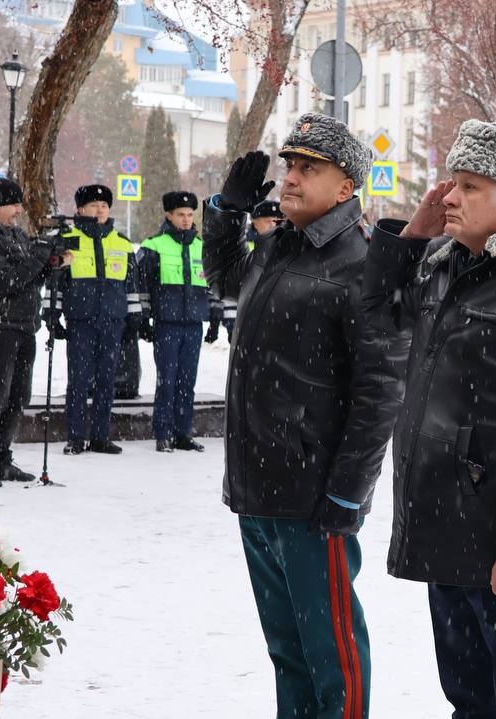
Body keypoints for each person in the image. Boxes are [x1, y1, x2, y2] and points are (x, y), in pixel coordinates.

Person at [361, 119, 496, 719]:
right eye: (450, 182)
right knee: (468, 700)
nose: (449, 197)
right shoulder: (442, 266)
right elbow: (375, 321)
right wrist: (410, 236)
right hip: (446, 530)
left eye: (469, 186)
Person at [202, 114, 404, 719]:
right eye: (289, 166)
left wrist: (347, 494)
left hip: (315, 499)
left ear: (346, 188)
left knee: (331, 653)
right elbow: (224, 277)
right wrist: (228, 214)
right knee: (286, 649)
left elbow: (381, 390)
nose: (289, 179)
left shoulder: (363, 264)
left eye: (307, 169)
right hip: (258, 487)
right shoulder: (279, 245)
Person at [0, 178, 68, 487]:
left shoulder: (15, 234)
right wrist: (39, 255)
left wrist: (52, 261)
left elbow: (29, 277)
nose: (19, 211)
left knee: (18, 396)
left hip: (24, 325)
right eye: (14, 204)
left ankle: (0, 458)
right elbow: (4, 282)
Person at [46, 184, 142, 455]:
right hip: (81, 320)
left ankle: (100, 436)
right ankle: (75, 437)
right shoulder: (69, 239)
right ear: (80, 210)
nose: (100, 210)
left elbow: (131, 285)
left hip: (112, 320)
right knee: (78, 381)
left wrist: (133, 318)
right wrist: (52, 315)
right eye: (93, 205)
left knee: (106, 380)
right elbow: (55, 283)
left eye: (104, 205)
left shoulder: (122, 243)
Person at [137, 191, 217, 453]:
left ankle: (183, 433)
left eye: (190, 215)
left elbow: (211, 289)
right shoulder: (154, 246)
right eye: (180, 214)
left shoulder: (202, 247)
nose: (186, 219)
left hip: (193, 323)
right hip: (167, 323)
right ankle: (163, 433)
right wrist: (144, 320)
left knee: (187, 382)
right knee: (167, 380)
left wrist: (214, 321)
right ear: (168, 216)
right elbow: (143, 286)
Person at [220, 199, 283, 341]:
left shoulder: (286, 247)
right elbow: (232, 283)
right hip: (244, 320)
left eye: (278, 221)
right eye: (269, 220)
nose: (275, 225)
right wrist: (232, 320)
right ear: (255, 221)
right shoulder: (241, 247)